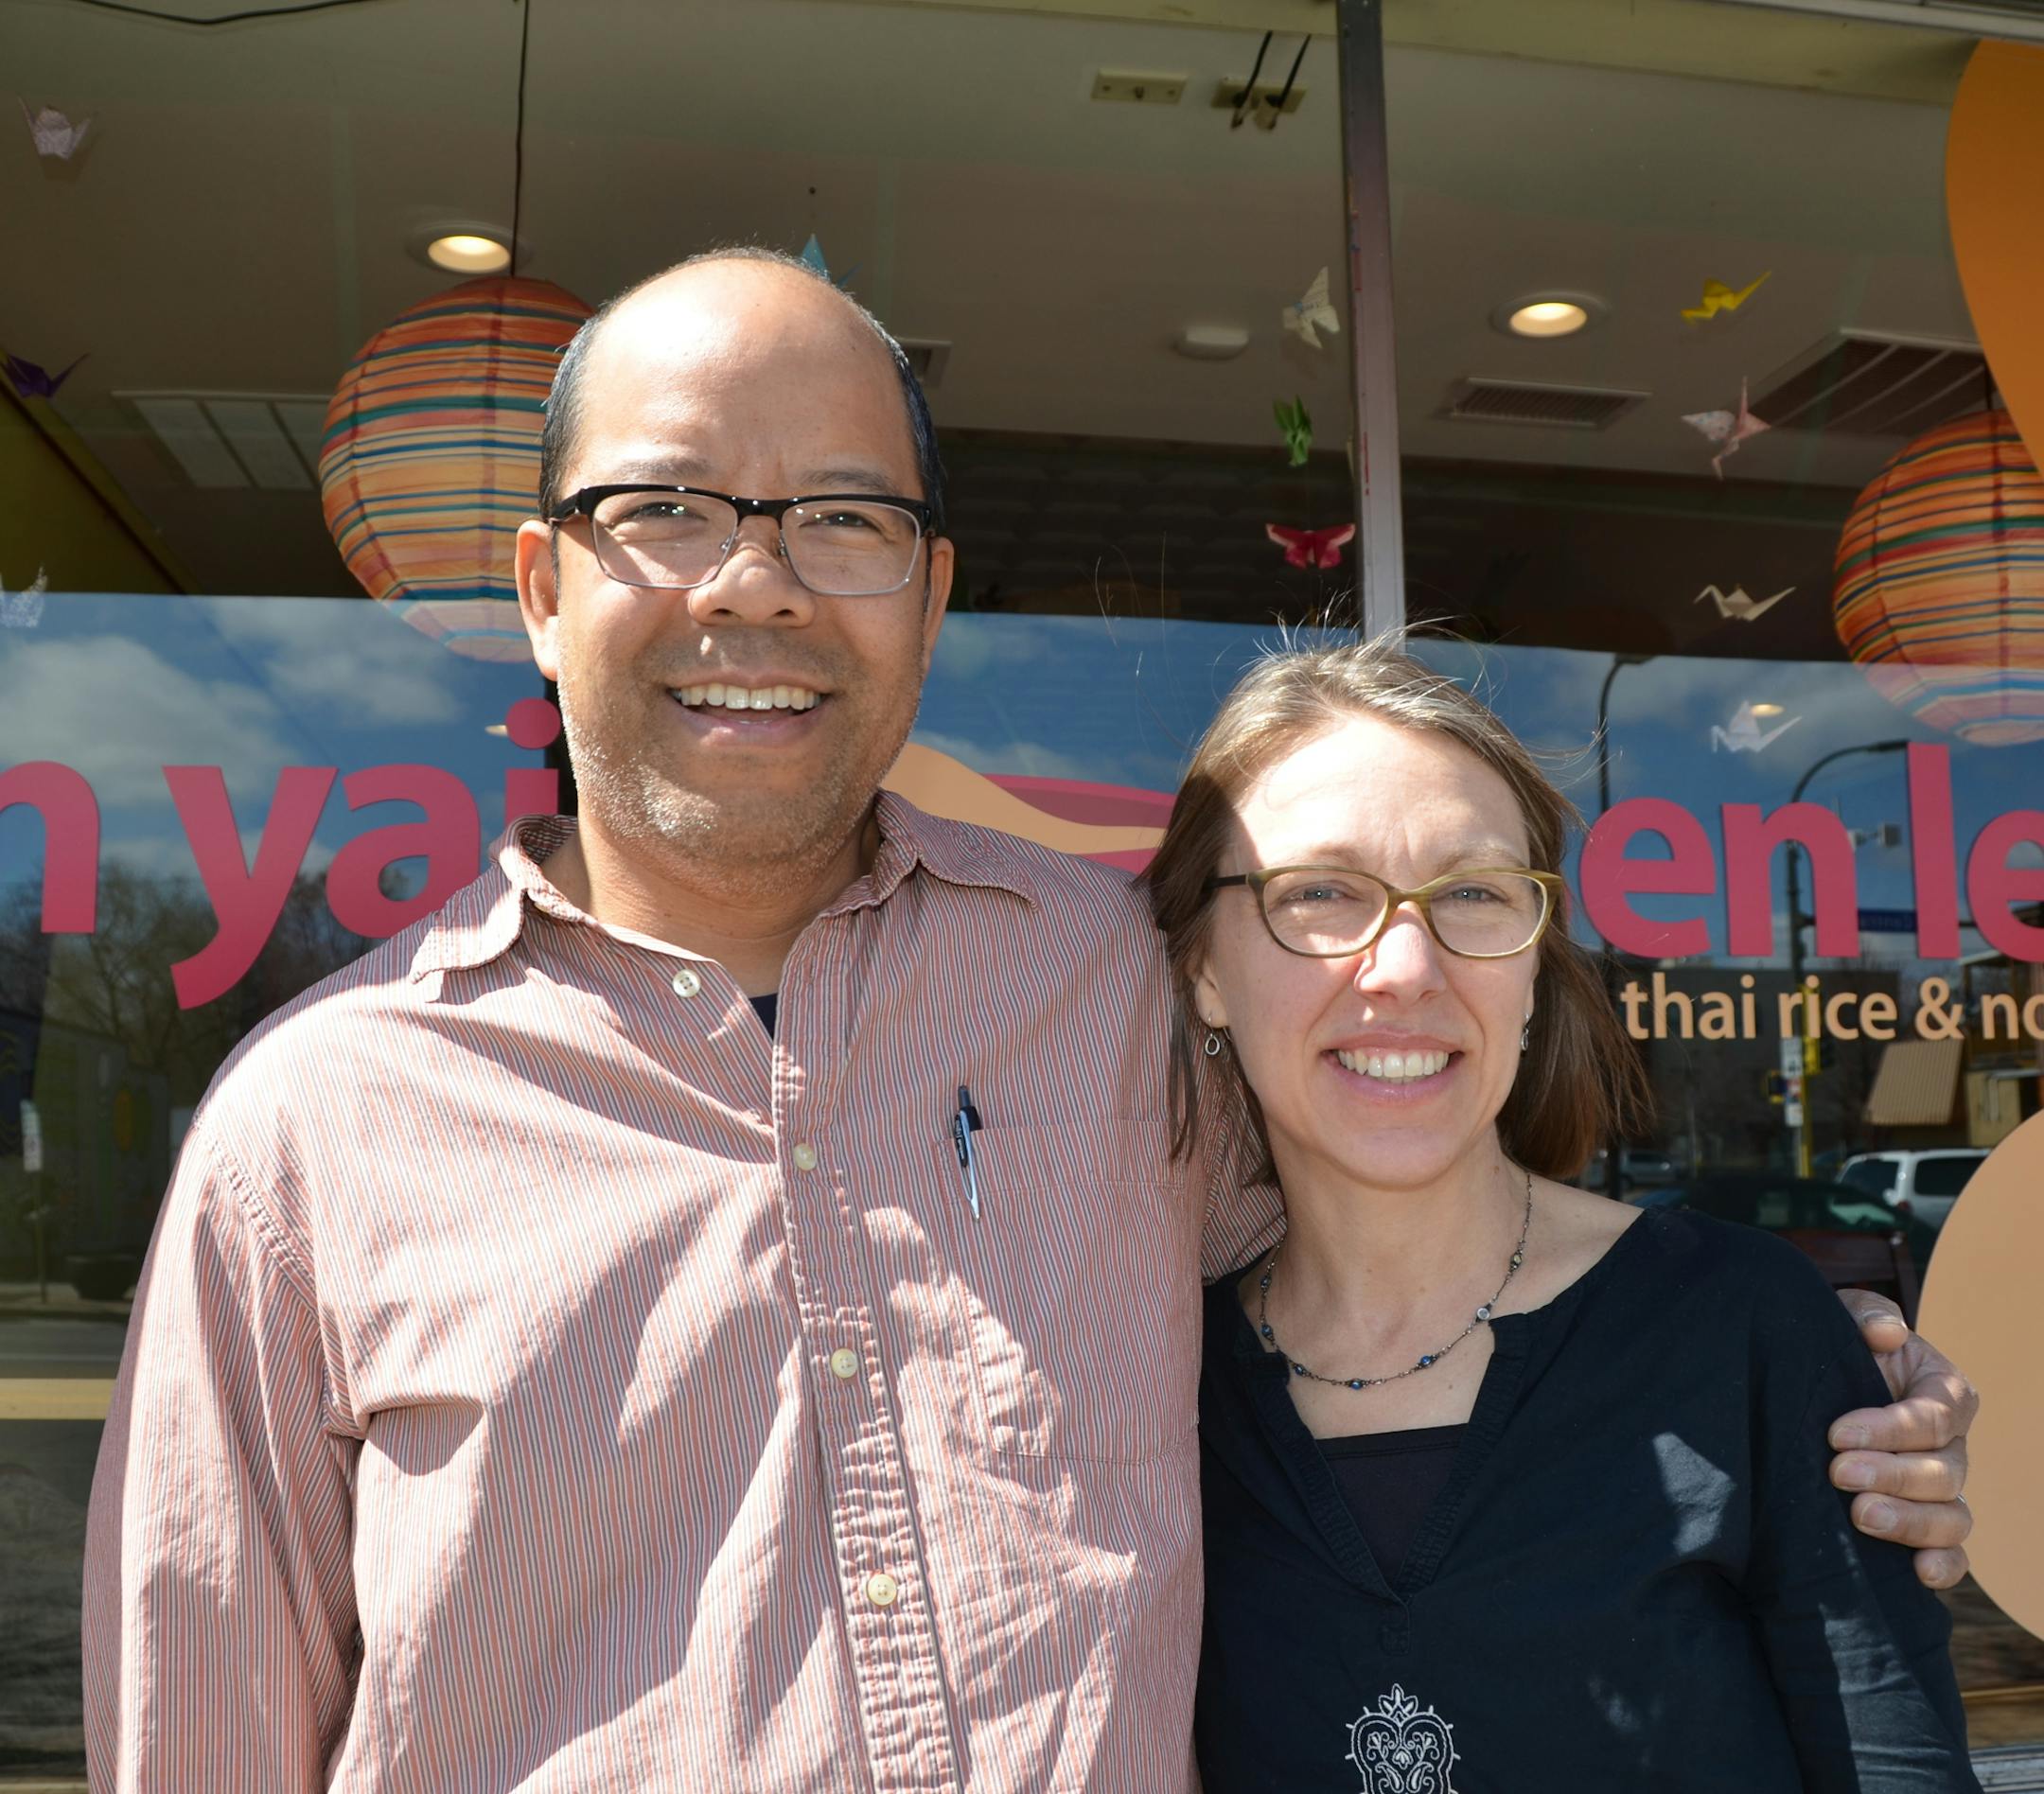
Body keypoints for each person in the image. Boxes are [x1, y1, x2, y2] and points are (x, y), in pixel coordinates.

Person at [83, 252, 1976, 1792]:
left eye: (840, 517)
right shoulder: (315, 1135)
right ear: (539, 590)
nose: (753, 581)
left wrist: (1820, 1383)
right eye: (662, 508)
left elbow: (1412, 1262)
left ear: (927, 598)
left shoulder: (1107, 989)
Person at [1145, 638, 1978, 1790]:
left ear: (1533, 970)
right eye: (1322, 893)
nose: (1403, 964)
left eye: (1475, 894)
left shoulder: (1743, 1334)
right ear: (1203, 970)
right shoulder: (1146, 1399)